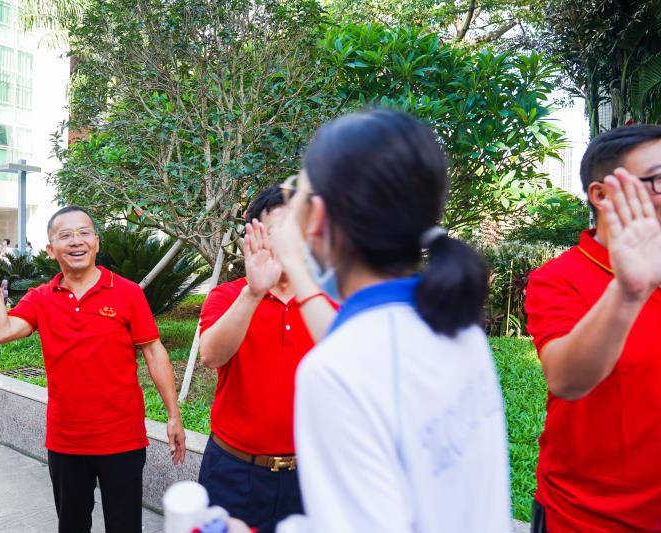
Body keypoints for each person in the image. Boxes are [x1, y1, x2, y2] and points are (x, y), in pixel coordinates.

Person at [268, 109, 511, 532]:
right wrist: (296, 263)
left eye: (298, 198)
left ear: (319, 219)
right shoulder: (455, 324)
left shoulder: (334, 372)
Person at [0, 205, 186, 533]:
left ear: (96, 242)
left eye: (84, 233)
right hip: (66, 440)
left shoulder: (126, 293)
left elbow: (154, 353)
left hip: (122, 439)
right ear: (50, 250)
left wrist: (173, 415)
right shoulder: (41, 298)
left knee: (125, 526)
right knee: (72, 525)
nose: (76, 241)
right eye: (64, 235)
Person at [524, 125, 661, 532]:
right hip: (588, 518)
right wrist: (628, 291)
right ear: (600, 195)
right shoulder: (559, 278)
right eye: (659, 180)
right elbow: (567, 379)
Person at [197, 187, 337, 533]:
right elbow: (211, 356)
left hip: (309, 475)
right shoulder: (228, 295)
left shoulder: (330, 306)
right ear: (255, 235)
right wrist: (253, 292)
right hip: (233, 471)